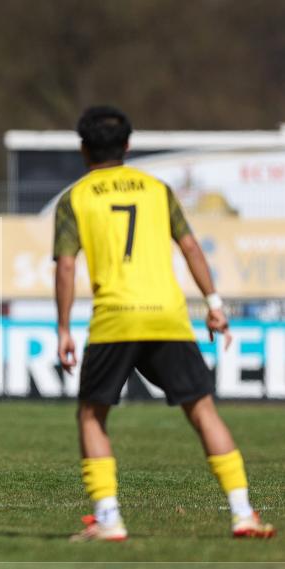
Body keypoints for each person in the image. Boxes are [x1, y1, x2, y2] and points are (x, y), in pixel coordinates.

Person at [54, 106, 275, 541]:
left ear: (83, 148)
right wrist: (214, 303)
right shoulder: (157, 190)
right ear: (128, 145)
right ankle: (243, 512)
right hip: (168, 318)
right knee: (203, 411)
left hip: (116, 319)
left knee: (92, 416)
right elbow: (191, 247)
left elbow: (65, 266)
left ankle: (109, 518)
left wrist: (63, 328)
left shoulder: (75, 198)